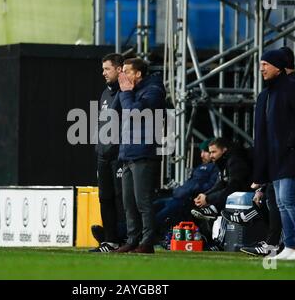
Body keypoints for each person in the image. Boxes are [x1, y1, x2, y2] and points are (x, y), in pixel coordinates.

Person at [253, 49, 295, 260]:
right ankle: (289, 245)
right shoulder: (267, 95)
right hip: (276, 158)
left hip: (291, 156)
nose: (261, 68)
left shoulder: (292, 88)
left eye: (265, 64)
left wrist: (290, 142)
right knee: (280, 202)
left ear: (278, 66)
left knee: (287, 198)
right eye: (261, 64)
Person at [113, 58, 166, 254]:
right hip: (128, 153)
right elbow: (116, 111)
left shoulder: (153, 91)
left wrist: (126, 92)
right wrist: (123, 91)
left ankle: (147, 242)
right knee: (129, 202)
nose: (123, 76)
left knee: (142, 201)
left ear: (138, 74)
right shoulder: (131, 91)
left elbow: (134, 112)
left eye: (126, 71)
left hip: (143, 153)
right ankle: (132, 239)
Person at [89, 53, 126, 253]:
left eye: (107, 69)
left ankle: (128, 238)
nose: (103, 73)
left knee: (123, 198)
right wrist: (99, 149)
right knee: (105, 198)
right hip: (104, 156)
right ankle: (110, 241)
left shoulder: (127, 92)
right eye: (103, 69)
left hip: (120, 155)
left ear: (119, 69)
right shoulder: (105, 93)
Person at [190, 138, 252, 250]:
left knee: (216, 207)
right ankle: (211, 240)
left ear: (224, 150)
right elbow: (221, 184)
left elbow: (234, 186)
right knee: (206, 207)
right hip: (235, 195)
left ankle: (217, 242)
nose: (211, 155)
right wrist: (205, 195)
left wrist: (210, 200)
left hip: (246, 196)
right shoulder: (223, 162)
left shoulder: (235, 160)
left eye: (214, 152)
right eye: (210, 152)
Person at [153, 138, 218, 235]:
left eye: (206, 152)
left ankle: (144, 236)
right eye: (202, 152)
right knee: (150, 207)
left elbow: (212, 186)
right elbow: (189, 183)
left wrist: (192, 189)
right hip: (176, 198)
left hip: (188, 201)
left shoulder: (215, 168)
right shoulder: (198, 167)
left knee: (159, 216)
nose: (202, 155)